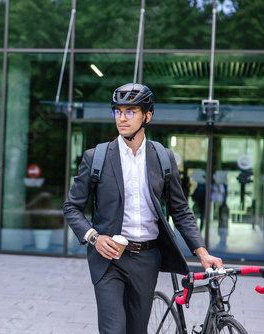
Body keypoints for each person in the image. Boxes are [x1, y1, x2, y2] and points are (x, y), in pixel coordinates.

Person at [63, 83, 223, 334]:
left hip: (147, 259)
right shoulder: (96, 157)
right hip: (109, 259)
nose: (121, 118)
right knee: (114, 329)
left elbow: (180, 211)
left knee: (137, 330)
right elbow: (71, 207)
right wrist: (94, 237)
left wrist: (202, 253)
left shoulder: (163, 158)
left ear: (147, 116)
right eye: (117, 111)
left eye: (130, 111)